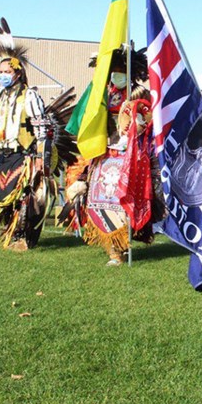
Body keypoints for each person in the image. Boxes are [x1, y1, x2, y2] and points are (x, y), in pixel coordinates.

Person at [0, 18, 78, 251]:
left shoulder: (29, 97)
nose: (3, 75)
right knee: (5, 200)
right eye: (0, 71)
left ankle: (24, 236)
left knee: (26, 199)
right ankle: (11, 233)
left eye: (7, 71)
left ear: (18, 73)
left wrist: (43, 158)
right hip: (0, 157)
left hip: (23, 156)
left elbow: (42, 128)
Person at [58, 49, 164, 266]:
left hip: (130, 157)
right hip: (105, 156)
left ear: (131, 71)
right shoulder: (102, 94)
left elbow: (151, 122)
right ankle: (113, 250)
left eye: (121, 71)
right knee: (101, 202)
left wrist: (135, 119)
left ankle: (122, 246)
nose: (117, 75)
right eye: (113, 71)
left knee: (124, 202)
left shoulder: (140, 93)